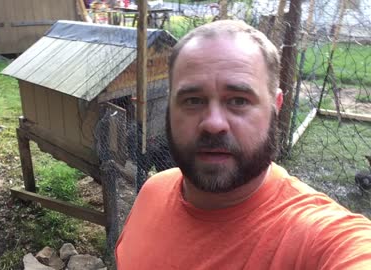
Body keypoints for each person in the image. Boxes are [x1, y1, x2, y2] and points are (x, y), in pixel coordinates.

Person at [115, 20, 371, 269]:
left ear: (276, 107)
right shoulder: (152, 191)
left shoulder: (320, 238)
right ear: (170, 108)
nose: (213, 124)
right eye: (193, 100)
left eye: (238, 100)